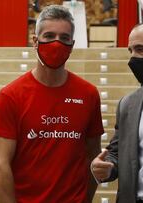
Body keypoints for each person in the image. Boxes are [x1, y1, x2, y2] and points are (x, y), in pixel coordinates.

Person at [0, 5, 104, 203]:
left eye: (64, 38)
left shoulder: (88, 94)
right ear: (35, 41)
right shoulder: (11, 95)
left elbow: (92, 156)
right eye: (49, 36)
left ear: (72, 45)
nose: (57, 43)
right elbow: (0, 163)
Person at [91, 23, 143, 203]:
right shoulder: (127, 105)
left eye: (141, 49)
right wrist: (108, 167)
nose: (133, 58)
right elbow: (117, 152)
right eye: (131, 50)